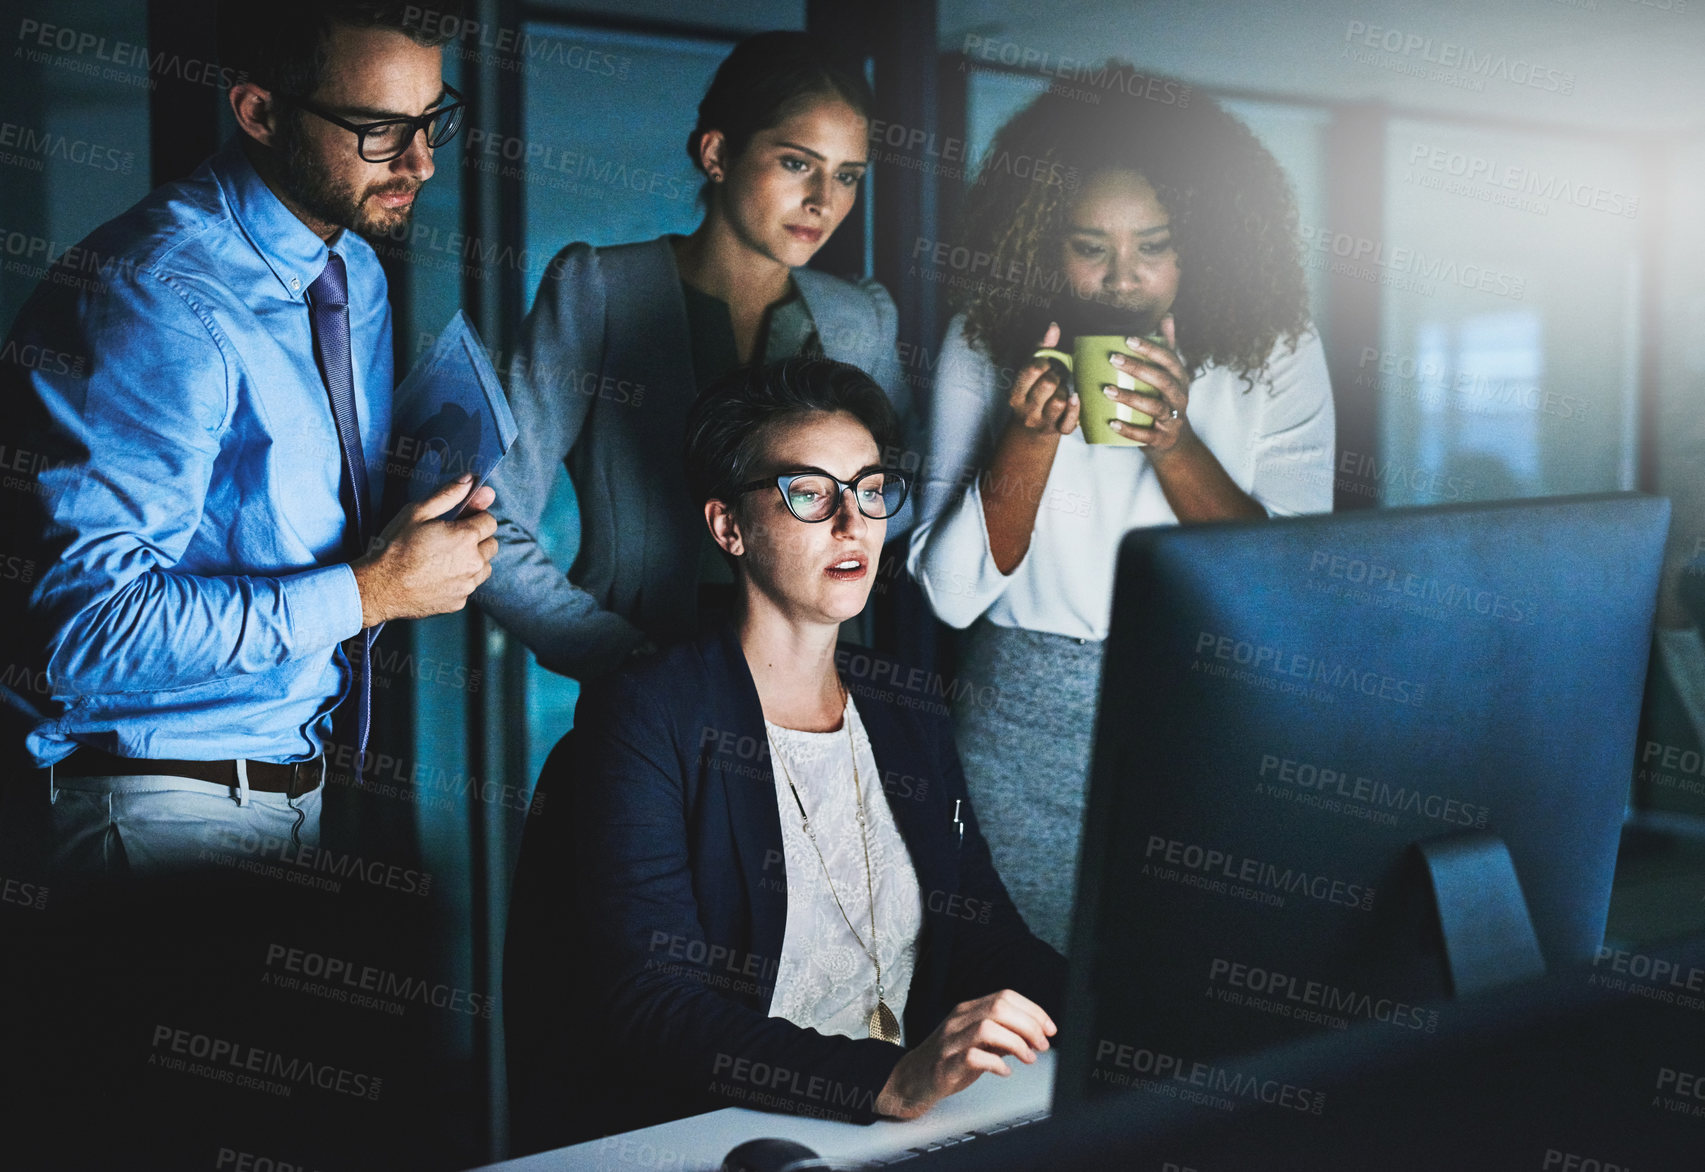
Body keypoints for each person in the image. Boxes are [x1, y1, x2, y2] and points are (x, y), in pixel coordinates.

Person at [0, 3, 488, 1165]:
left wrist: (416, 521)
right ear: (258, 110)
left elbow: (270, 522)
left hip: (294, 795)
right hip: (152, 814)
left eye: (435, 120)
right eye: (379, 128)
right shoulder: (155, 295)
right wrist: (371, 591)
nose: (418, 161)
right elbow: (80, 629)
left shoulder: (352, 274)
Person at [507, 358, 1063, 1148]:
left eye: (870, 489)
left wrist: (1131, 1021)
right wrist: (887, 1080)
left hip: (893, 1131)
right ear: (727, 526)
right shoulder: (650, 714)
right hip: (738, 1134)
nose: (852, 524)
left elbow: (982, 935)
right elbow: (651, 1004)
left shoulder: (902, 702)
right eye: (809, 493)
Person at [906, 69, 1336, 952]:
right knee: (1028, 1000)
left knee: (1186, 981)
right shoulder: (982, 339)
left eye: (1154, 245)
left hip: (1207, 702)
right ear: (1038, 243)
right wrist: (1027, 438)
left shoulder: (1278, 351)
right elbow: (949, 599)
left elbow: (1286, 588)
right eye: (1088, 247)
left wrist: (1172, 442)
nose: (1121, 279)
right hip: (1022, 720)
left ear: (1204, 241)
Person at [475, 31, 909, 682]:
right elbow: (488, 517)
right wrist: (619, 658)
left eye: (846, 175)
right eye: (797, 163)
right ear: (716, 153)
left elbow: (899, 507)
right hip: (640, 687)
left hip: (814, 683)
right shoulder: (599, 291)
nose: (824, 199)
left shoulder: (860, 318)